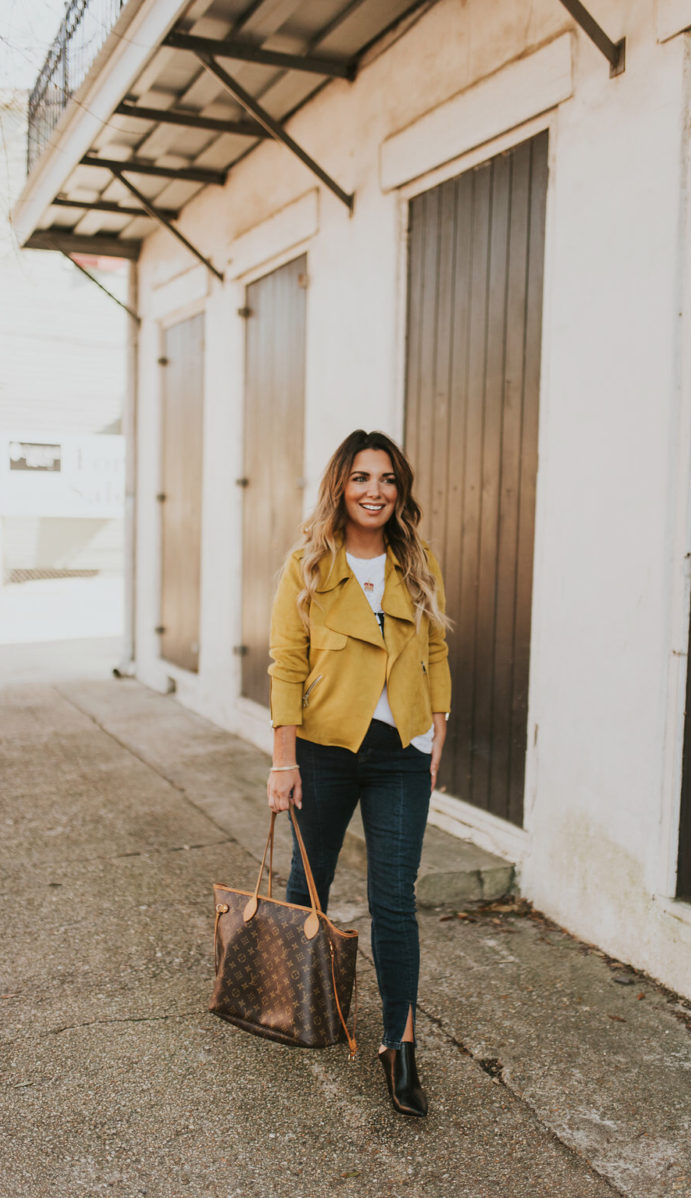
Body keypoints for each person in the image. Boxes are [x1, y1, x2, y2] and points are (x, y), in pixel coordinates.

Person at [266, 428, 451, 1118]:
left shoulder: (416, 558)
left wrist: (439, 731)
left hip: (400, 750)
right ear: (341, 486)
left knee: (394, 899)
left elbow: (434, 646)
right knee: (307, 881)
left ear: (399, 491)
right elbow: (286, 664)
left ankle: (398, 1044)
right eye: (362, 478)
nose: (376, 490)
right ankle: (298, 1004)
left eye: (389, 479)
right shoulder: (309, 563)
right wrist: (284, 759)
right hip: (322, 748)